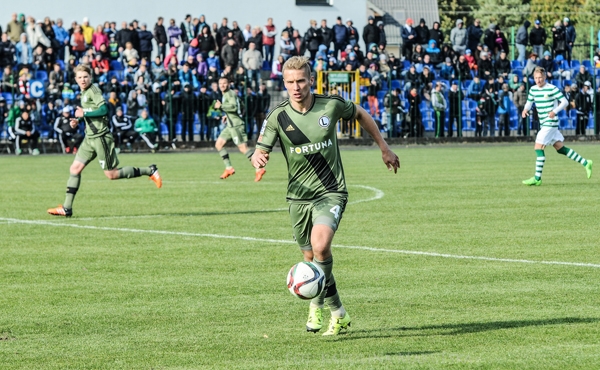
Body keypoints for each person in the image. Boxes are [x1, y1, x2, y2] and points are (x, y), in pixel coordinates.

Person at [251, 56, 399, 336]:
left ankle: (315, 305)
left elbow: (360, 114)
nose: (296, 87)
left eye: (301, 81)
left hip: (331, 191)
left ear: (311, 80)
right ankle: (339, 313)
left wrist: (383, 147)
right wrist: (258, 157)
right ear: (284, 83)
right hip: (298, 198)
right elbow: (261, 149)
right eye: (291, 82)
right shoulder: (277, 117)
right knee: (312, 260)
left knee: (320, 249)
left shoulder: (330, 105)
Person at [47, 64, 162, 217]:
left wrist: (84, 113)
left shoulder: (94, 90)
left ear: (90, 77)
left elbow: (103, 110)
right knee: (74, 169)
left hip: (100, 138)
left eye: (85, 77)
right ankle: (66, 208)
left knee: (111, 174)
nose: (83, 79)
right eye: (80, 77)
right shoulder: (83, 92)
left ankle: (150, 170)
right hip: (89, 139)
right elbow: (91, 115)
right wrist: (78, 121)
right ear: (75, 79)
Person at [521, 67, 593, 186]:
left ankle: (537, 178)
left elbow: (564, 102)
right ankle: (586, 163)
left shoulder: (552, 89)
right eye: (536, 78)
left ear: (544, 77)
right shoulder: (533, 89)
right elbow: (529, 102)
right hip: (544, 123)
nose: (538, 80)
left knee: (538, 147)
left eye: (540, 78)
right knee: (560, 148)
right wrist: (525, 110)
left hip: (551, 122)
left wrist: (554, 111)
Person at [214, 76, 265, 182]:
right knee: (219, 144)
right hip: (230, 125)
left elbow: (234, 107)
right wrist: (227, 116)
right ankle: (229, 168)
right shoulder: (227, 94)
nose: (222, 85)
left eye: (224, 83)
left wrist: (222, 107)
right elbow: (240, 105)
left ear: (229, 84)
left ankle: (259, 168)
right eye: (220, 83)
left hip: (236, 126)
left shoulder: (230, 94)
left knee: (243, 149)